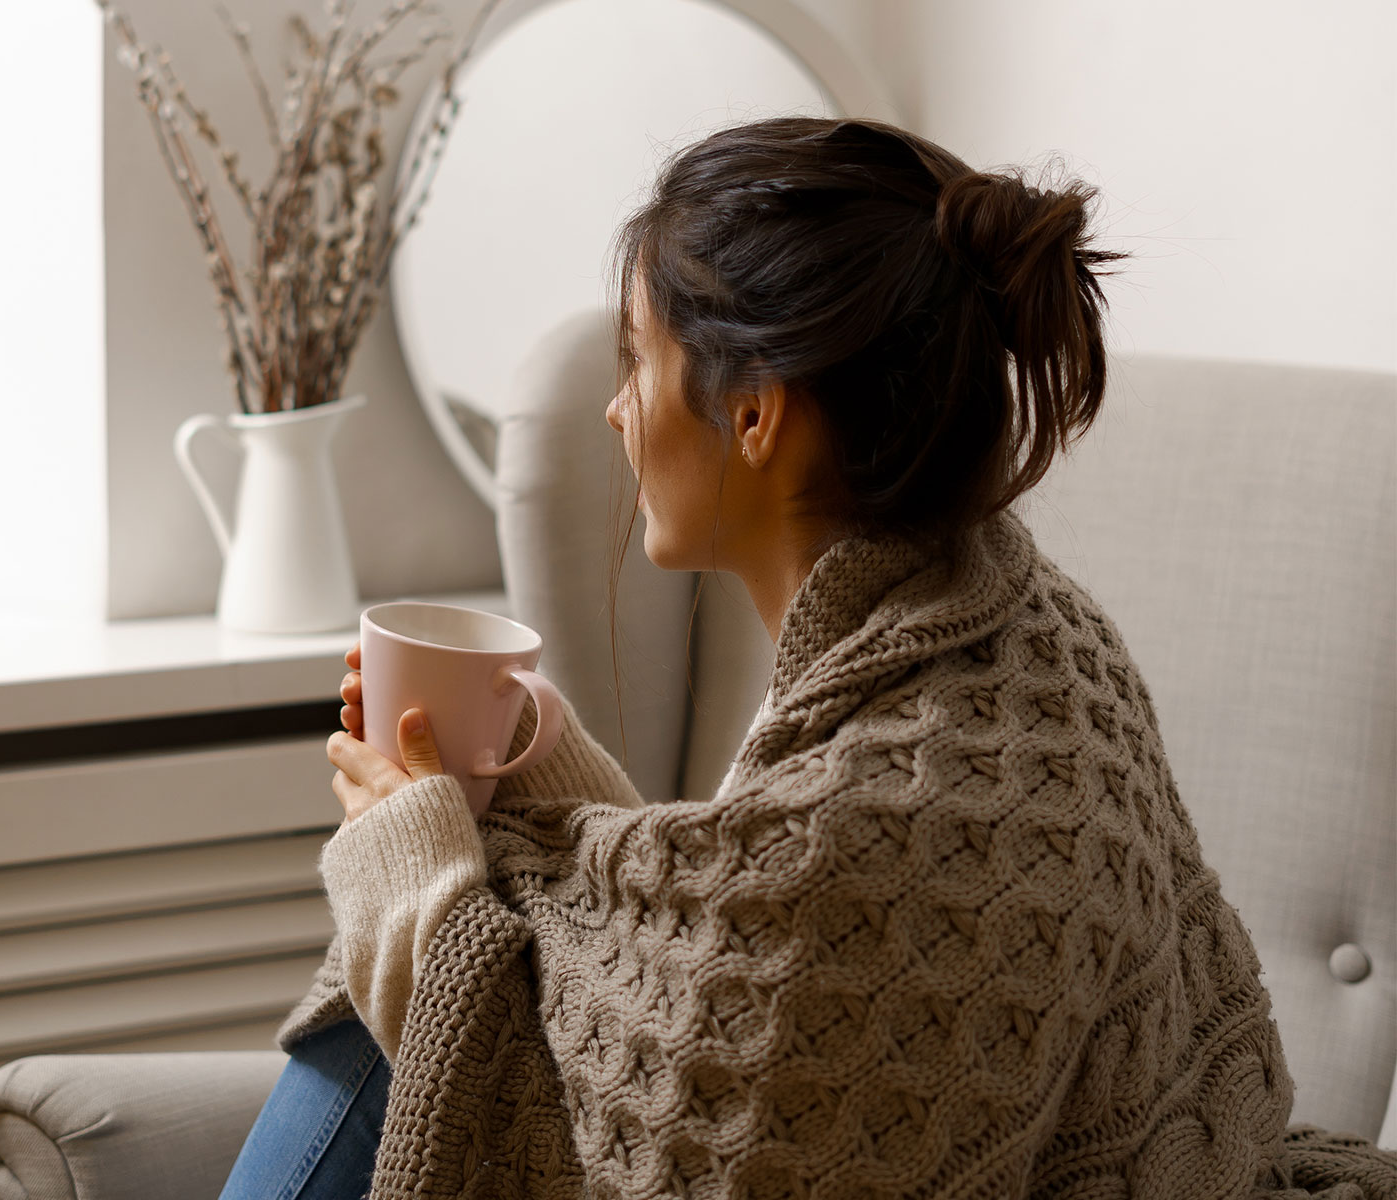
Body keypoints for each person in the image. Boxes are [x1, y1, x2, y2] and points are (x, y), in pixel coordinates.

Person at [219, 116, 1397, 1198]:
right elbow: (737, 1001)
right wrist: (542, 774)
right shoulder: (1028, 631)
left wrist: (408, 886)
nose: (615, 411)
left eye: (635, 362)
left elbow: (689, 1134)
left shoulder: (889, 809)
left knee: (408, 1012)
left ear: (754, 414)